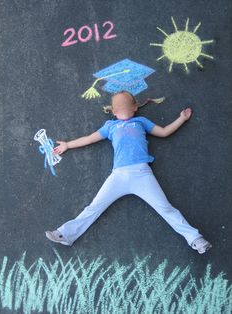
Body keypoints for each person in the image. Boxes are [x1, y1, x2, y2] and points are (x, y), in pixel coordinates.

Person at [45, 91, 212, 254]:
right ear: (113, 111)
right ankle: (66, 234)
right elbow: (88, 138)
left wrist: (181, 119)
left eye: (126, 104)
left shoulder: (141, 121)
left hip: (142, 174)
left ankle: (194, 238)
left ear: (135, 108)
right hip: (118, 176)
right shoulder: (110, 126)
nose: (122, 109)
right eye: (118, 106)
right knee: (94, 206)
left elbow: (164, 132)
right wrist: (68, 145)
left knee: (165, 207)